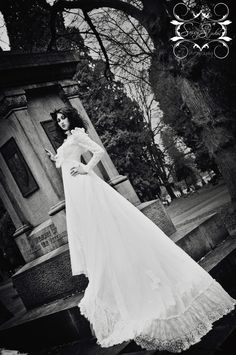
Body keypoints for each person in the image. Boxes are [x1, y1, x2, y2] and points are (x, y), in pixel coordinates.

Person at [45, 106, 235, 353]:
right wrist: (54, 158)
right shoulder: (68, 140)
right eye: (58, 120)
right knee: (94, 236)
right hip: (76, 195)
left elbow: (98, 151)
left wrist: (85, 168)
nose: (61, 122)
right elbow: (64, 161)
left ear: (71, 118)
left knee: (109, 229)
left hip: (85, 187)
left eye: (64, 118)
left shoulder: (79, 133)